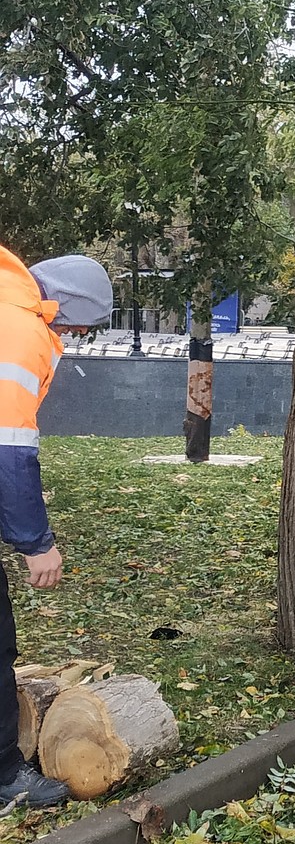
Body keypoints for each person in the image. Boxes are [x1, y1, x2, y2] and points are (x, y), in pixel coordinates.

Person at [0, 245, 113, 807]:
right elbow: (9, 445)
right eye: (82, 328)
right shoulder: (20, 331)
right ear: (63, 308)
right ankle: (4, 778)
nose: (76, 340)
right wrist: (34, 541)